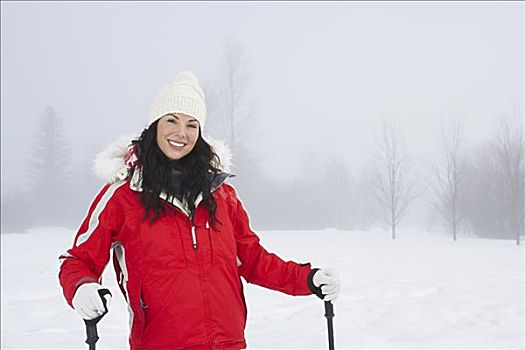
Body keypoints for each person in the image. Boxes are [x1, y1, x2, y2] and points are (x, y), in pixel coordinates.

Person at [58, 70, 341, 350]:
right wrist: (81, 287)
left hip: (228, 343)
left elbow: (253, 259)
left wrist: (307, 279)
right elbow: (77, 260)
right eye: (172, 120)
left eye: (192, 124)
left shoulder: (221, 195)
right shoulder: (124, 196)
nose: (181, 133)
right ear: (155, 124)